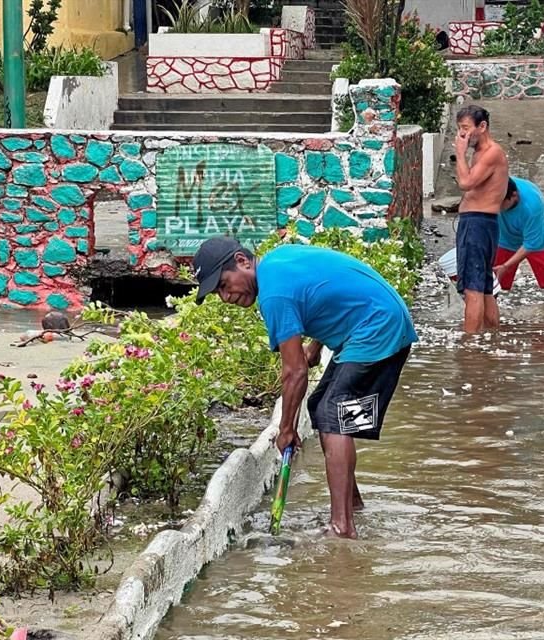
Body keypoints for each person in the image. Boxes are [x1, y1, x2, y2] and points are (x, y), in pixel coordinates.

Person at [192, 237, 417, 539]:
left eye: (223, 284)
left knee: (332, 414)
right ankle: (353, 506)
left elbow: (294, 371)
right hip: (380, 320)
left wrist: (286, 429)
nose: (225, 296)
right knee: (322, 406)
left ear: (242, 262)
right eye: (218, 292)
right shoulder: (278, 262)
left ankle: (342, 527)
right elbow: (327, 293)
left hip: (378, 328)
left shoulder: (273, 295)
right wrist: (315, 346)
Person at [454, 105, 509, 332]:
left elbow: (466, 183)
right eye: (459, 130)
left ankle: (470, 350)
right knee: (485, 287)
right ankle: (491, 337)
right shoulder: (480, 153)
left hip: (477, 224)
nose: (462, 135)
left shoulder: (492, 153)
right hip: (483, 224)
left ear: (482, 126)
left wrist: (459, 152)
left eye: (466, 129)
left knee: (472, 289)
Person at [494, 177, 544, 311]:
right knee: (492, 277)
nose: (495, 207)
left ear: (514, 196)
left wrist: (506, 266)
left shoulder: (532, 206)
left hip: (540, 235)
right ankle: (486, 314)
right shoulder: (494, 190)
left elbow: (531, 245)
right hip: (504, 235)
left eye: (500, 203)